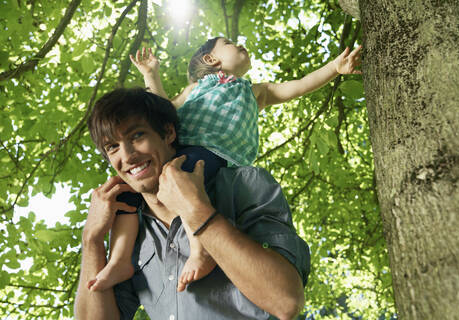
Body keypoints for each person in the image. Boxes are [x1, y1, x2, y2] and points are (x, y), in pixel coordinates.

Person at [89, 36, 361, 292]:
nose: (239, 44)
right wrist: (151, 74)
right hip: (186, 149)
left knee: (181, 180)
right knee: (127, 192)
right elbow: (160, 111)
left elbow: (299, 85)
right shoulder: (196, 88)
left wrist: (335, 68)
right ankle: (120, 260)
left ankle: (200, 251)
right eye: (229, 43)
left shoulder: (257, 91)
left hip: (219, 157)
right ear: (210, 59)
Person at [74, 87, 310, 320]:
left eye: (137, 135)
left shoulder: (243, 185)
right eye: (112, 146)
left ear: (168, 133)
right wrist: (92, 240)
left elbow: (286, 301)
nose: (126, 156)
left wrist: (195, 210)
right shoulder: (128, 233)